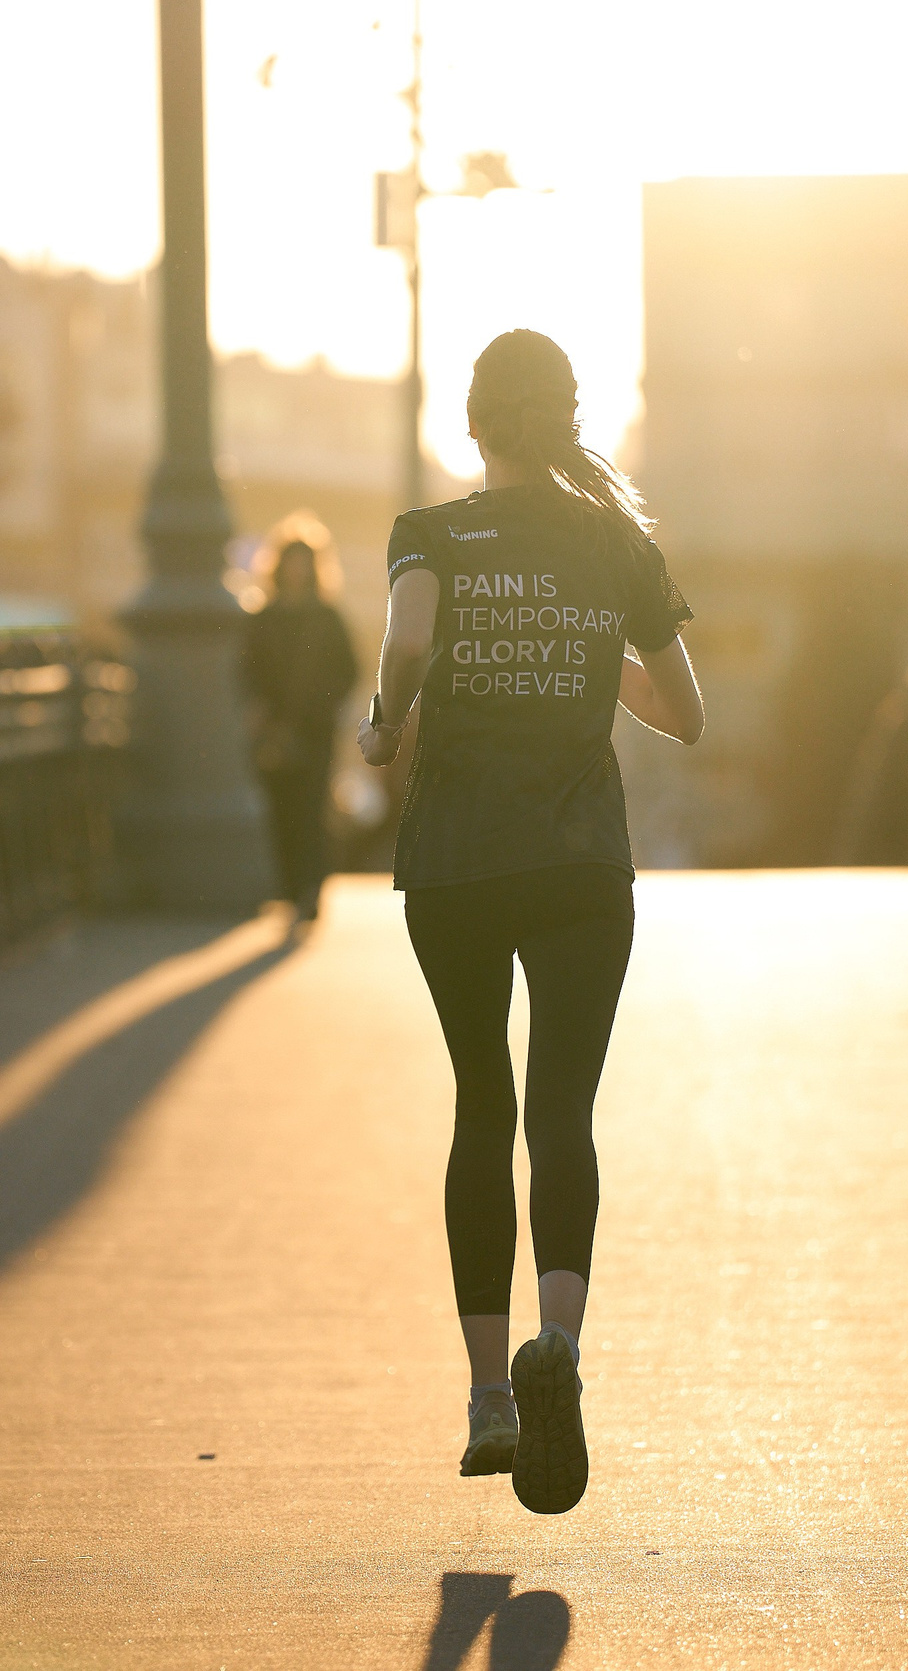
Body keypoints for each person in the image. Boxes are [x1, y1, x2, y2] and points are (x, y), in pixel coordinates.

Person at [357, 329, 704, 1515]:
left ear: (473, 424)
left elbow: (406, 641)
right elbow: (685, 713)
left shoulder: (432, 535)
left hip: (456, 859)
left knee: (479, 1102)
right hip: (576, 863)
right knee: (563, 1110)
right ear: (562, 420)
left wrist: (385, 721)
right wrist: (588, 655)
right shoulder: (615, 543)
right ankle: (556, 1341)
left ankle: (486, 1399)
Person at [241, 513, 359, 920]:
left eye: (304, 561)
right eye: (292, 560)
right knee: (282, 808)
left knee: (312, 807)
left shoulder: (327, 617)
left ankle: (310, 890)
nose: (298, 569)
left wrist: (324, 706)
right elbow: (248, 671)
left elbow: (349, 670)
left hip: (315, 729)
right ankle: (291, 889)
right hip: (274, 729)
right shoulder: (263, 619)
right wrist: (258, 711)